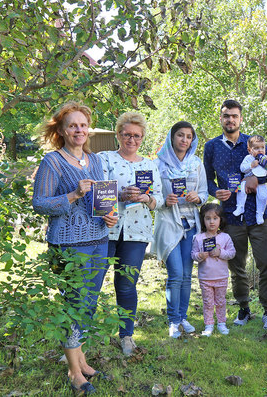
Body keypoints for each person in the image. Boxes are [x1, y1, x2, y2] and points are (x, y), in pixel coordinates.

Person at [32, 101, 118, 394]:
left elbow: (99, 201)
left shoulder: (94, 161)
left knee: (89, 304)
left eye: (83, 125)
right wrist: (73, 194)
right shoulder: (52, 162)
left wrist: (108, 214)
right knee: (75, 305)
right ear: (62, 130)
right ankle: (73, 371)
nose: (79, 130)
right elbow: (40, 204)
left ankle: (81, 360)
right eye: (73, 125)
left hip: (98, 241)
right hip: (68, 245)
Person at [203, 100, 267, 329]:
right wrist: (213, 190)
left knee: (266, 262)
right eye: (226, 116)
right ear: (221, 118)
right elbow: (207, 178)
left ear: (240, 118)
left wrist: (259, 179)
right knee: (236, 265)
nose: (230, 120)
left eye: (234, 116)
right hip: (230, 214)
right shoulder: (212, 146)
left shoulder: (253, 143)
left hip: (257, 215)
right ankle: (244, 307)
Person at [98, 112, 163, 356]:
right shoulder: (104, 159)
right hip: (106, 229)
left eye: (136, 135)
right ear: (118, 135)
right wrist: (120, 196)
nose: (131, 139)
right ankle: (78, 339)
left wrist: (146, 197)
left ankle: (126, 336)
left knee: (126, 285)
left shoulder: (149, 164)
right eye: (126, 134)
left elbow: (159, 201)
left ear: (142, 137)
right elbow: (99, 193)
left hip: (137, 232)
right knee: (92, 282)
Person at [151, 121, 208, 338]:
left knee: (186, 275)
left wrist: (199, 198)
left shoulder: (196, 163)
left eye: (189, 136)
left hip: (191, 224)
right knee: (175, 274)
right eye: (180, 135)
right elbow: (152, 196)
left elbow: (203, 191)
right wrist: (165, 200)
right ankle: (173, 320)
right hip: (169, 223)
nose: (184, 140)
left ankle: (183, 317)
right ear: (172, 137)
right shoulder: (159, 164)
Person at [192, 203, 236, 336]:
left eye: (215, 218)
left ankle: (221, 323)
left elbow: (232, 253)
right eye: (208, 218)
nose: (212, 221)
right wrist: (199, 256)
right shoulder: (198, 238)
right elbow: (193, 254)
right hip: (205, 277)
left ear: (220, 220)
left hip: (221, 277)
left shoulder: (225, 237)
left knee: (221, 302)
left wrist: (220, 253)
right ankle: (209, 325)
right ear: (203, 220)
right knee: (208, 302)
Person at [232, 135, 267, 225]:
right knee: (240, 190)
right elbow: (242, 168)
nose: (260, 150)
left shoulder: (265, 159)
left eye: (262, 147)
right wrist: (251, 165)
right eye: (256, 148)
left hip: (261, 183)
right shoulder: (248, 158)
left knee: (263, 197)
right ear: (250, 150)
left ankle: (259, 214)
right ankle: (240, 207)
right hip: (247, 179)